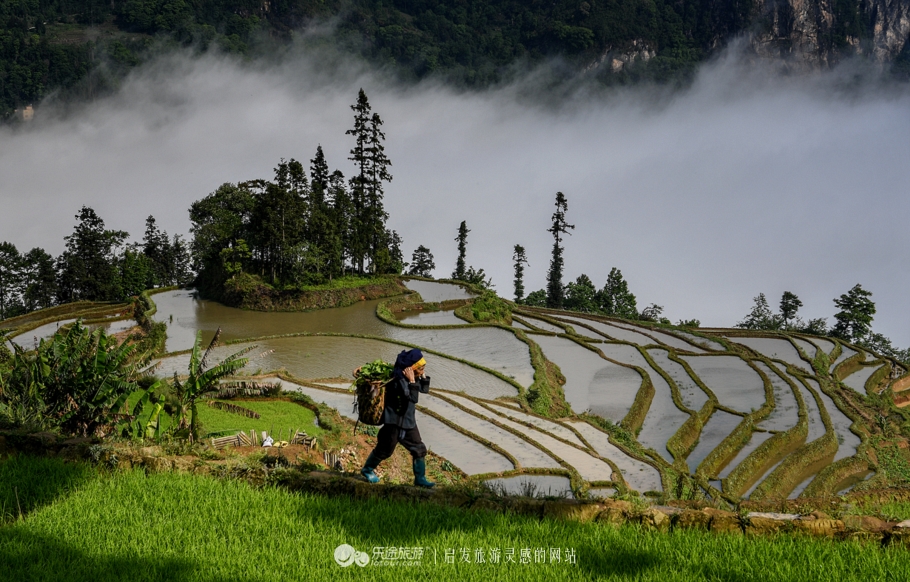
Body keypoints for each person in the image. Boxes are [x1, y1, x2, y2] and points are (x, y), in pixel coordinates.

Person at [358, 348, 435, 488]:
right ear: (410, 368)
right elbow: (412, 398)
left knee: (419, 449)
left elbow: (423, 390)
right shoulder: (398, 380)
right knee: (385, 450)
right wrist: (412, 381)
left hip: (408, 422)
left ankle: (420, 478)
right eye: (420, 368)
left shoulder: (411, 378)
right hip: (394, 423)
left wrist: (421, 376)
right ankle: (367, 470)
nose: (422, 370)